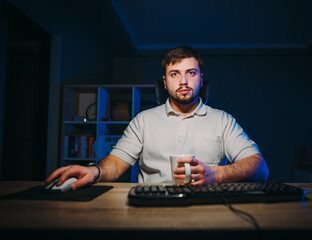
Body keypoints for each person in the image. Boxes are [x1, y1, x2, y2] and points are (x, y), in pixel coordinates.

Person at [43, 46, 269, 190]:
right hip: (149, 206)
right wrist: (94, 170)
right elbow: (116, 163)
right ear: (165, 82)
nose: (183, 81)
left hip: (209, 207)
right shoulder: (143, 120)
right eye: (175, 74)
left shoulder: (223, 120)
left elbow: (260, 168)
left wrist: (216, 173)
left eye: (191, 73)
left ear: (202, 79)